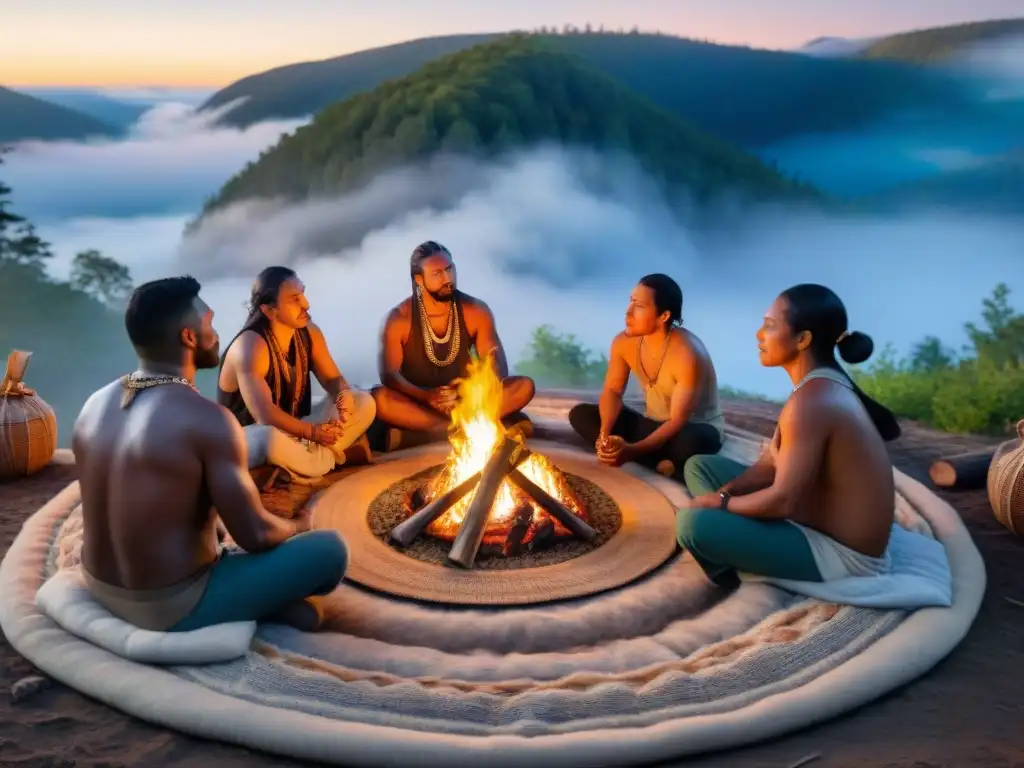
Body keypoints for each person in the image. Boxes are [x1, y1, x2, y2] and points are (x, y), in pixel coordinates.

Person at [74, 276, 348, 633]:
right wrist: (301, 525)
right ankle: (234, 607)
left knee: (296, 604)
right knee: (329, 550)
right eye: (209, 324)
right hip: (171, 604)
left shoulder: (95, 403)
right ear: (188, 338)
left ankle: (259, 605)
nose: (217, 334)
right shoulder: (208, 419)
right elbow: (256, 535)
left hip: (98, 585)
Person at [677, 283, 902, 588]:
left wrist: (722, 505)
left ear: (803, 339)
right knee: (700, 467)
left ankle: (728, 566)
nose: (759, 334)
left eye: (769, 325)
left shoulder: (813, 401)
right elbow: (771, 462)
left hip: (842, 556)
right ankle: (742, 537)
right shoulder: (816, 386)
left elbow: (784, 503)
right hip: (811, 515)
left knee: (692, 525)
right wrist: (726, 492)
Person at [370, 240, 535, 450]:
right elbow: (389, 375)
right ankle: (477, 427)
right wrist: (427, 397)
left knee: (523, 386)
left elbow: (496, 366)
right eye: (437, 273)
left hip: (467, 400)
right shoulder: (399, 318)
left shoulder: (475, 310)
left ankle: (430, 433)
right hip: (419, 402)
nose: (447, 279)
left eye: (449, 269)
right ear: (419, 280)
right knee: (380, 399)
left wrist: (464, 392)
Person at [217, 266, 377, 482]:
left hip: (298, 430)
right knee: (269, 440)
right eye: (294, 299)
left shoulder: (309, 332)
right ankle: (331, 458)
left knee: (363, 401)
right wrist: (313, 433)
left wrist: (343, 396)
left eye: (303, 294)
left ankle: (300, 468)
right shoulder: (250, 346)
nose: (306, 304)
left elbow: (333, 379)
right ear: (269, 310)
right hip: (250, 436)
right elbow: (265, 415)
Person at [568, 273, 725, 478]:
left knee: (691, 441)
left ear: (664, 316)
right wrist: (605, 434)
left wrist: (632, 450)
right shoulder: (623, 343)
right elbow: (613, 391)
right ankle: (663, 464)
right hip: (651, 425)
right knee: (581, 414)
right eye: (630, 302)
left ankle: (642, 456)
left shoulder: (688, 353)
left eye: (639, 306)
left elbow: (677, 420)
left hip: (689, 429)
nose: (628, 312)